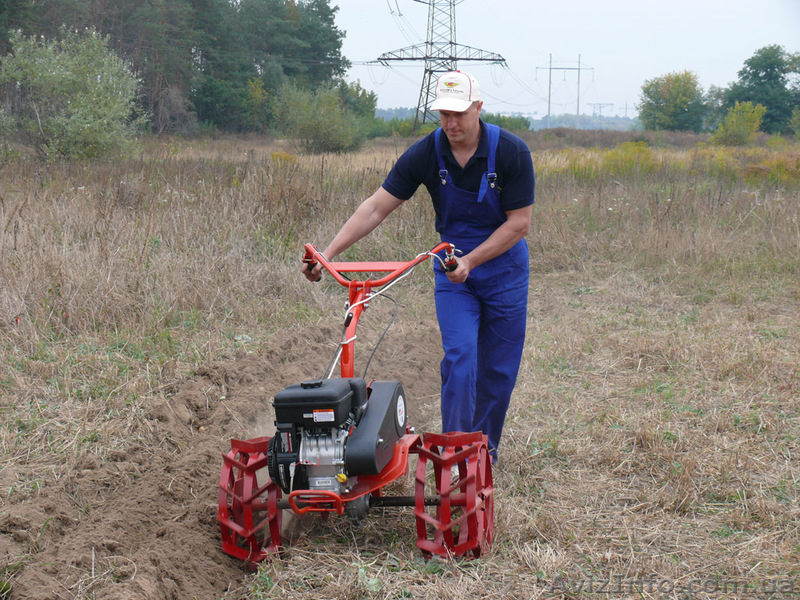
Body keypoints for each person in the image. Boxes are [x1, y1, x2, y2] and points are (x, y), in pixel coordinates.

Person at [302, 71, 535, 463]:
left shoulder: (511, 152)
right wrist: (328, 253)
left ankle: (482, 457)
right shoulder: (428, 153)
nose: (451, 123)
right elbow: (377, 206)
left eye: (460, 113)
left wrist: (473, 260)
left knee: (497, 374)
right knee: (460, 359)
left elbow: (519, 223)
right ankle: (455, 454)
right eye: (444, 113)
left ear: (478, 108)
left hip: (504, 273)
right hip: (453, 273)